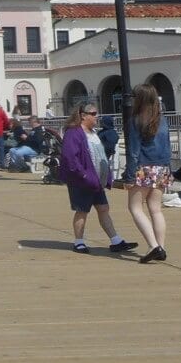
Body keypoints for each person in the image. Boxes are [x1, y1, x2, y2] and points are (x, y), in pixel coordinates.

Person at [59, 104, 137, 255]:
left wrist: (106, 176)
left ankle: (116, 240)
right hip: (81, 180)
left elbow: (100, 155)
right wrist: (83, 174)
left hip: (96, 180)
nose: (97, 117)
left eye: (96, 113)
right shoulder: (74, 133)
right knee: (82, 210)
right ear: (83, 115)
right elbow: (70, 157)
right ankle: (79, 242)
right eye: (93, 114)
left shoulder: (93, 133)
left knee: (103, 208)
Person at [121, 84, 172, 264]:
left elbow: (134, 151)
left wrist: (128, 176)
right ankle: (162, 247)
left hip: (144, 167)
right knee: (155, 209)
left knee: (135, 208)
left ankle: (153, 246)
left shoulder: (135, 120)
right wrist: (168, 168)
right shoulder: (162, 119)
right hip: (162, 167)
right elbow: (168, 145)